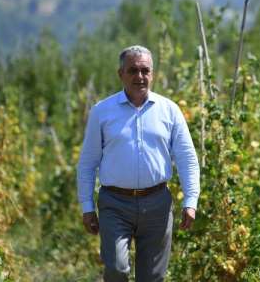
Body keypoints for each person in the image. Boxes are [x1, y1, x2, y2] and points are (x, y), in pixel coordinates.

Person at [77, 45, 200, 282]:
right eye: (133, 70)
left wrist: (191, 200)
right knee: (116, 269)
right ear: (120, 74)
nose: (139, 76)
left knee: (152, 278)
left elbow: (187, 158)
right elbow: (87, 163)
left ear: (152, 74)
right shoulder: (102, 112)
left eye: (145, 70)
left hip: (157, 204)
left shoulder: (170, 111)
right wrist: (87, 206)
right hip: (114, 203)